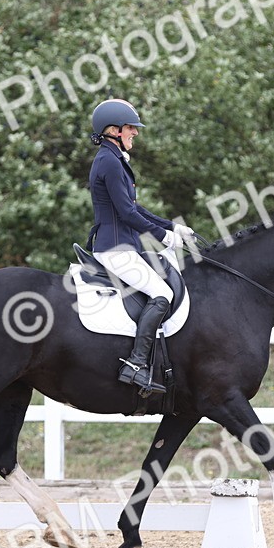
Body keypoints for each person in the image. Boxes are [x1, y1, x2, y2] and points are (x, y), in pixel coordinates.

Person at [87, 98, 194, 396]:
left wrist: (173, 227)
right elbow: (127, 214)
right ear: (113, 130)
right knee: (162, 293)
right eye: (131, 128)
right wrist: (164, 237)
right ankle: (135, 365)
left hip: (125, 245)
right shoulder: (109, 161)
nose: (135, 133)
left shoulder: (113, 159)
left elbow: (136, 207)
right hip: (115, 249)